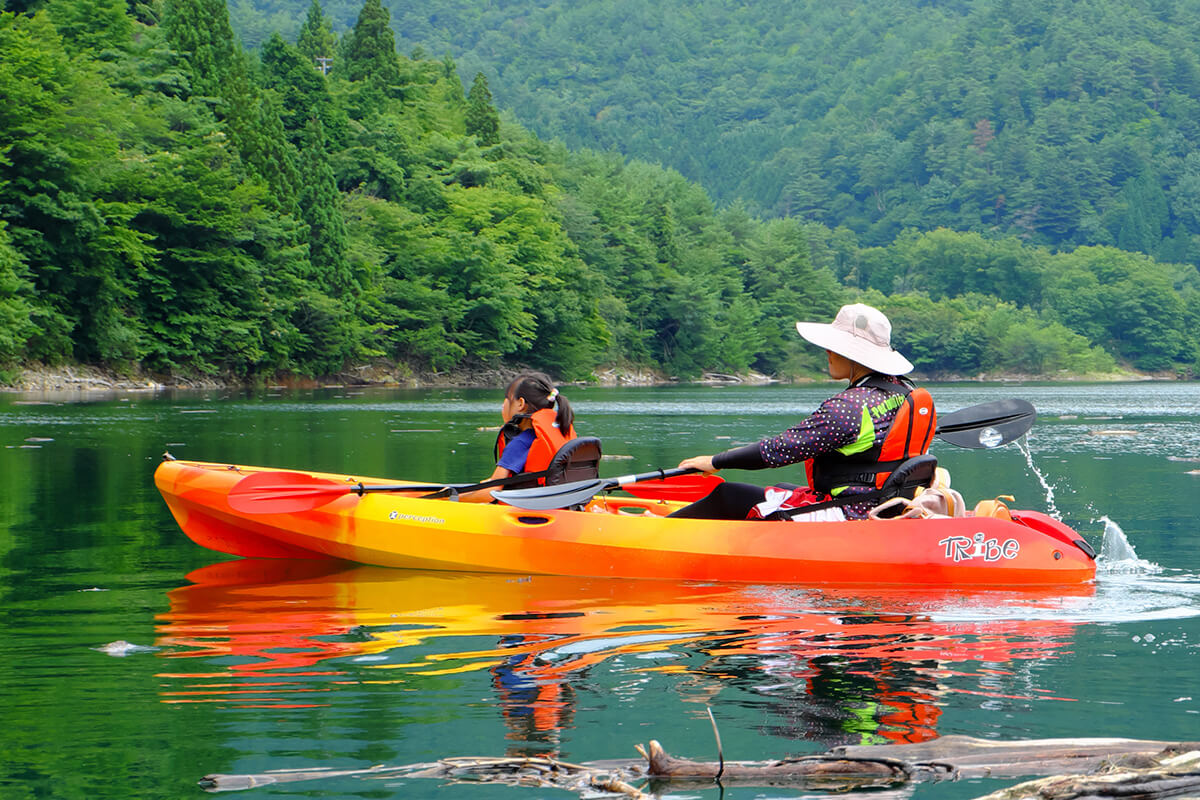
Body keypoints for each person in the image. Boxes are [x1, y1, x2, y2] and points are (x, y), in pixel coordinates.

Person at [671, 303, 935, 521]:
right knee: (783, 489)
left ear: (854, 355)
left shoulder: (849, 408)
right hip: (885, 504)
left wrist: (716, 461)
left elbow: (777, 450)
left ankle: (658, 533)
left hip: (852, 513)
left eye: (835, 347)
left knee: (728, 495)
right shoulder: (901, 392)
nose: (828, 353)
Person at [458, 372, 576, 503]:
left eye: (507, 399)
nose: (503, 405)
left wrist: (451, 498)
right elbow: (496, 482)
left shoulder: (520, 443)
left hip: (532, 513)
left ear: (520, 404)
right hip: (563, 502)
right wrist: (492, 481)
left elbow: (492, 492)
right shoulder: (562, 432)